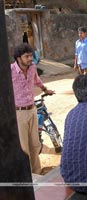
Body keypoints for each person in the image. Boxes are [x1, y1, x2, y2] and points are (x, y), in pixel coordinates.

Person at [11, 43, 55, 174]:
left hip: (32, 110)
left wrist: (45, 90)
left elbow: (37, 80)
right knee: (24, 148)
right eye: (27, 56)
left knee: (35, 145)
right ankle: (27, 175)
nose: (30, 58)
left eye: (31, 55)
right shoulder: (10, 71)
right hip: (18, 113)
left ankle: (36, 172)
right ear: (18, 58)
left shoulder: (32, 68)